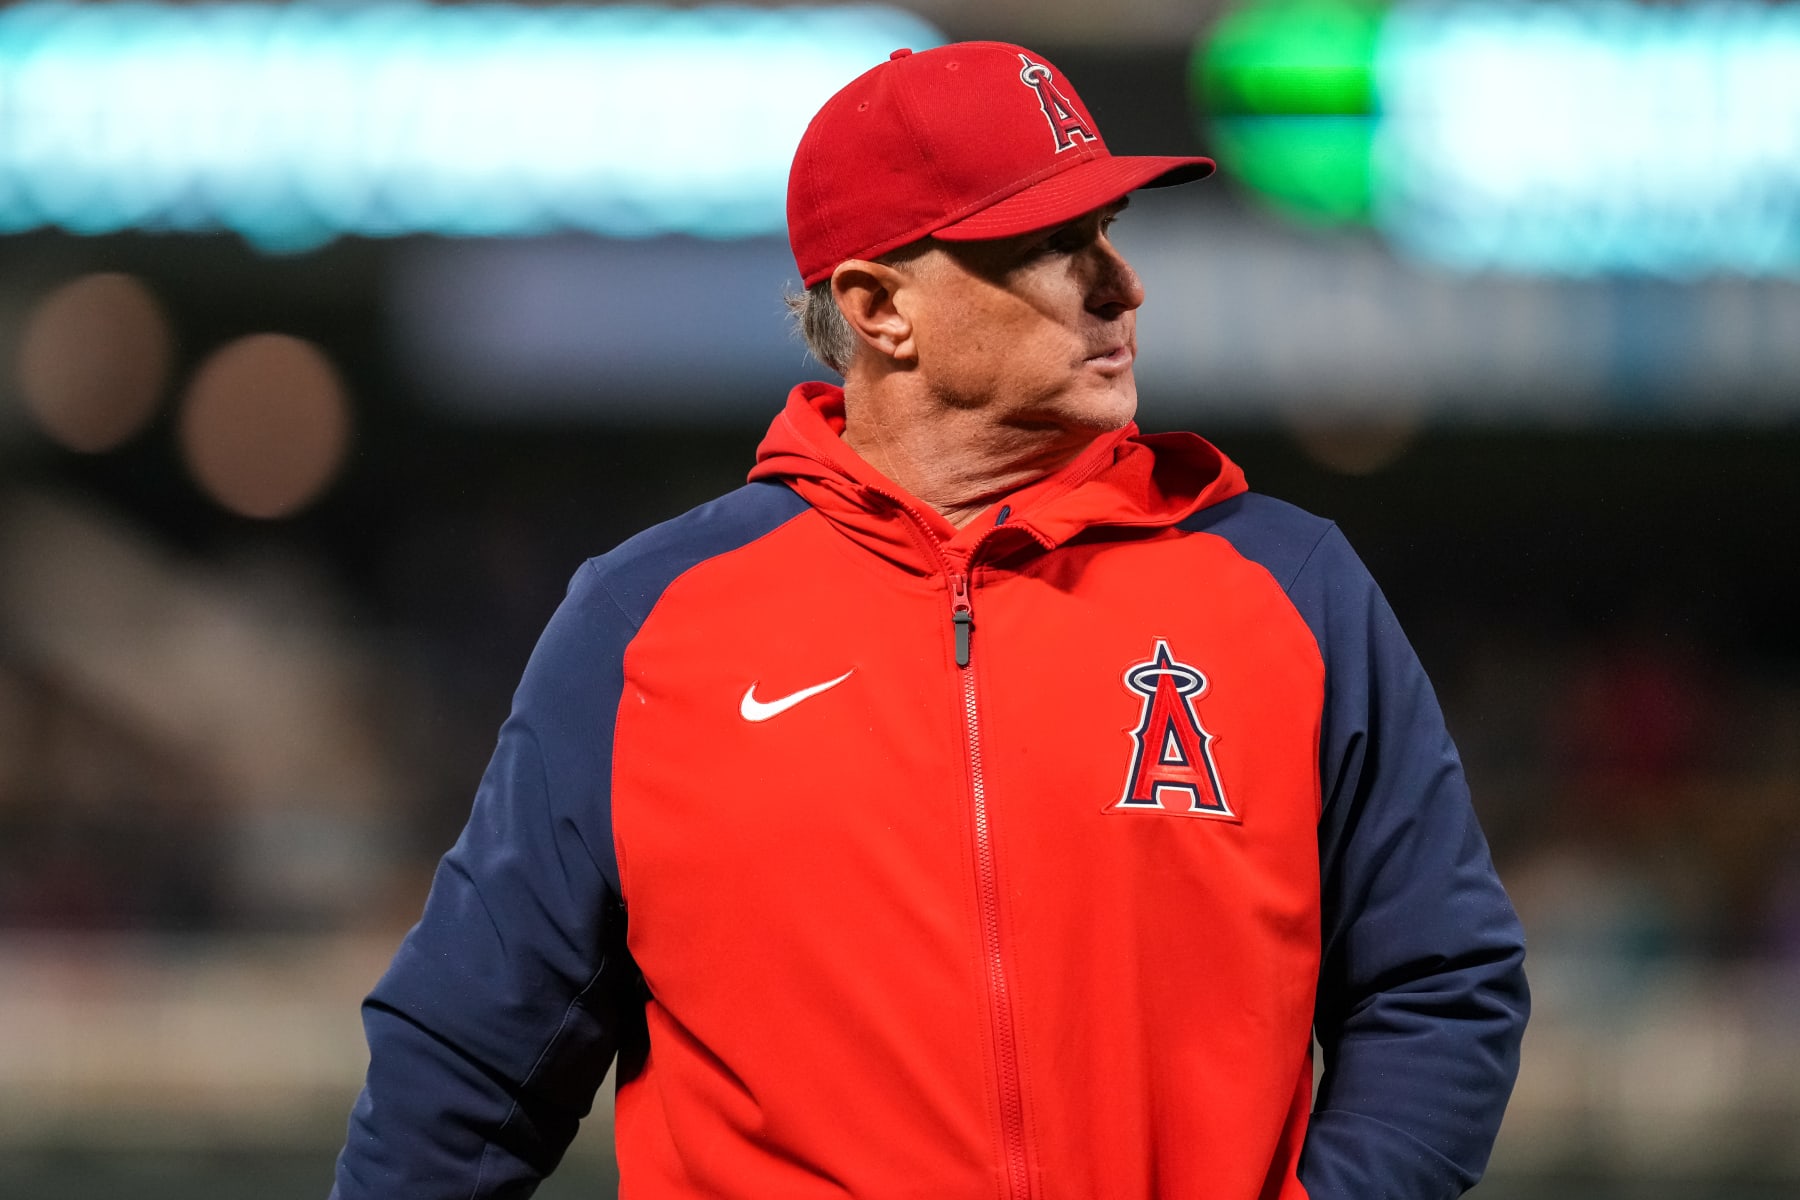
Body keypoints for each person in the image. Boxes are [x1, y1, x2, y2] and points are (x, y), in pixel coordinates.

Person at [332, 41, 1528, 1200]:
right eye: (1054, 245)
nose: (1120, 285)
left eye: (1107, 232)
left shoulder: (1286, 584)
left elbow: (1440, 981)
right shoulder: (649, 623)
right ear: (880, 306)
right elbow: (470, 1060)